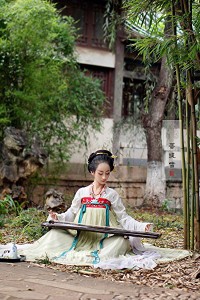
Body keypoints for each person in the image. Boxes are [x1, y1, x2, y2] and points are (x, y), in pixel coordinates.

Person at [13, 149, 161, 269]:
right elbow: (71, 213)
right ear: (92, 172)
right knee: (54, 236)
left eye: (107, 173)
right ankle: (80, 251)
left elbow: (123, 218)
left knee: (121, 242)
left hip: (104, 238)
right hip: (80, 237)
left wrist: (141, 226)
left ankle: (97, 255)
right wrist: (57, 217)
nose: (104, 177)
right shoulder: (82, 192)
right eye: (100, 173)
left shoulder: (112, 194)